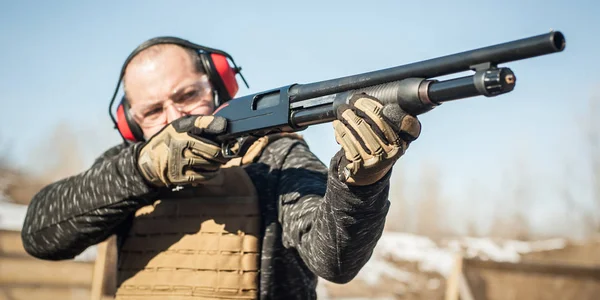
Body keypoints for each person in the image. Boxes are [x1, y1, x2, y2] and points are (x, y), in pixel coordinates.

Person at [21, 37, 421, 300]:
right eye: (153, 110)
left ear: (217, 87)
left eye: (187, 95)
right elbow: (40, 235)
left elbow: (334, 260)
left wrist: (359, 183)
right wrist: (144, 171)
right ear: (130, 123)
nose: (174, 116)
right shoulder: (122, 170)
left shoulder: (274, 157)